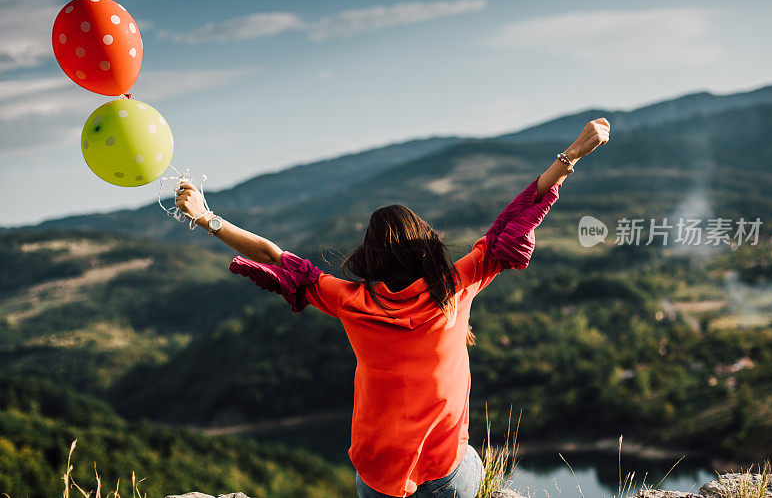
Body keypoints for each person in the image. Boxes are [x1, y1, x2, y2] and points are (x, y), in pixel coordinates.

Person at [175, 118, 611, 498]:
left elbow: (273, 255)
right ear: (427, 247)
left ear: (370, 260)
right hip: (447, 481)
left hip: (380, 483)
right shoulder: (455, 286)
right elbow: (516, 218)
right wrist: (572, 154)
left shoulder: (351, 302)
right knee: (472, 457)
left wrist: (205, 217)